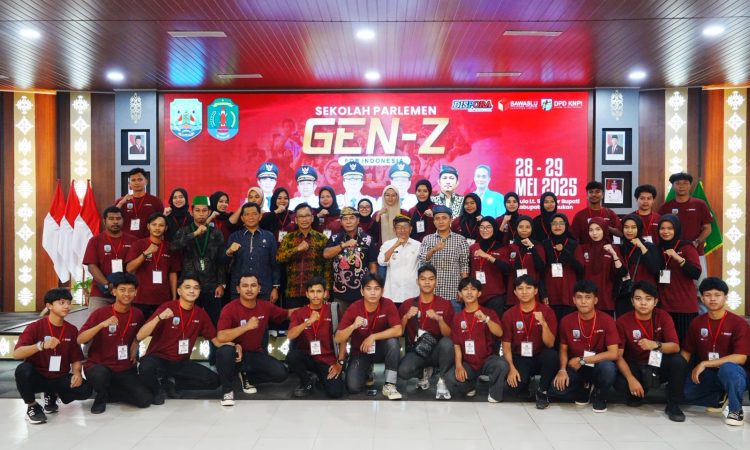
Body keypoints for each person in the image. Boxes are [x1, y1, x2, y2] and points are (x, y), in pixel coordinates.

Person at [137, 277, 223, 405]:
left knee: (214, 381)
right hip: (159, 358)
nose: (192, 291)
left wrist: (235, 346)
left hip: (180, 362)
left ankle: (171, 382)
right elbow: (140, 335)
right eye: (187, 287)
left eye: (196, 288)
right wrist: (159, 317)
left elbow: (215, 340)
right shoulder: (167, 307)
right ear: (179, 291)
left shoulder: (201, 314)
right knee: (145, 367)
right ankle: (157, 389)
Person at [13, 288, 93, 424]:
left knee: (86, 390)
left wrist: (77, 373)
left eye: (68, 303)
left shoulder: (71, 329)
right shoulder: (35, 327)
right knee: (22, 370)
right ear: (49, 305)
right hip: (38, 376)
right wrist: (41, 345)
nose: (67, 306)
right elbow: (16, 354)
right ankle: (32, 406)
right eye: (62, 303)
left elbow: (76, 358)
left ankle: (51, 394)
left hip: (59, 376)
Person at [77, 272, 151, 413]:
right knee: (99, 374)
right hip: (99, 365)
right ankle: (101, 396)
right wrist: (101, 325)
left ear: (136, 292)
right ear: (114, 292)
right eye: (122, 290)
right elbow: (80, 339)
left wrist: (135, 345)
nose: (127, 294)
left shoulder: (137, 314)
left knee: (145, 400)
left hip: (123, 366)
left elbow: (138, 335)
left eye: (131, 290)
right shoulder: (100, 313)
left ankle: (111, 391)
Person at [614, 281, 686, 422]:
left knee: (678, 361)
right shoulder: (623, 321)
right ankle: (638, 392)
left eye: (648, 299)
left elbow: (675, 347)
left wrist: (656, 345)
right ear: (632, 301)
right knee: (620, 383)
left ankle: (673, 405)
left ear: (655, 301)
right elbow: (618, 355)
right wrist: (630, 379)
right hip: (635, 365)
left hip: (657, 364)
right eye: (638, 298)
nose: (643, 303)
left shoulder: (663, 316)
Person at [683, 277, 750, 427]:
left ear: (725, 297)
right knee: (684, 392)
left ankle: (736, 411)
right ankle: (720, 397)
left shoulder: (738, 323)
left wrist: (705, 363)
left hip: (736, 373)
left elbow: (740, 358)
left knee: (728, 368)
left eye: (717, 295)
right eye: (708, 295)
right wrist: (677, 373)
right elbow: (686, 351)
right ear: (701, 298)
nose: (712, 299)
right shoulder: (697, 322)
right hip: (710, 374)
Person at [215, 273, 291, 405]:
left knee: (281, 373)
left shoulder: (265, 306)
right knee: (225, 351)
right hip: (235, 357)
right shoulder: (229, 308)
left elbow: (288, 314)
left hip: (254, 355)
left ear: (259, 288)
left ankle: (246, 377)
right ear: (238, 289)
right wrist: (246, 327)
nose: (249, 289)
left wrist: (312, 309)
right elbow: (221, 336)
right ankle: (227, 391)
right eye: (245, 286)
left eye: (253, 285)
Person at [551, 280, 619, 413]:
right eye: (579, 297)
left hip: (597, 364)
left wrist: (583, 360)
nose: (583, 301)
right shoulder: (566, 321)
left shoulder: (607, 320)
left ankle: (600, 395)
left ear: (595, 300)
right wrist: (562, 370)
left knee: (608, 369)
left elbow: (613, 353)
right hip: (577, 367)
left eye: (588, 297)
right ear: (574, 300)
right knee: (557, 390)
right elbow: (563, 349)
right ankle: (585, 386)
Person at [335, 273, 403, 400]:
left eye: (377, 288)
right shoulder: (354, 308)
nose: (373, 293)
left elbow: (398, 330)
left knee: (393, 343)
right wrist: (353, 326)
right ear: (362, 291)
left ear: (382, 291)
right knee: (353, 387)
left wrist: (373, 337)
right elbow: (338, 338)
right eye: (368, 288)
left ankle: (390, 384)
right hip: (360, 351)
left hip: (381, 349)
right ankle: (367, 371)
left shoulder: (388, 304)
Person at [445, 277, 508, 402]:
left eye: (473, 289)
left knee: (502, 365)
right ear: (460, 294)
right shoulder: (457, 318)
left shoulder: (488, 312)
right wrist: (458, 365)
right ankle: (470, 386)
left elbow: (500, 332)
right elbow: (456, 345)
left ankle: (494, 394)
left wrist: (486, 319)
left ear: (479, 293)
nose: (469, 292)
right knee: (450, 378)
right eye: (465, 289)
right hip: (468, 362)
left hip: (487, 359)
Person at [397, 264, 455, 399]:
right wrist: (405, 317)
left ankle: (442, 379)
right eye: (423, 279)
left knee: (447, 343)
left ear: (436, 281)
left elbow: (450, 335)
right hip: (417, 351)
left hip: (437, 351)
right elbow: (399, 332)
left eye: (431, 279)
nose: (427, 282)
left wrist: (439, 320)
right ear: (417, 281)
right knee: (403, 371)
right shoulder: (408, 304)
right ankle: (423, 373)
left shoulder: (445, 304)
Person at [501, 275, 558, 409]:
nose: (524, 292)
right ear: (515, 292)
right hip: (520, 357)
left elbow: (550, 344)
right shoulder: (509, 314)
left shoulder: (547, 312)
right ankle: (525, 384)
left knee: (552, 356)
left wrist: (543, 323)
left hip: (540, 356)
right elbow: (506, 345)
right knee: (514, 388)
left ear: (536, 291)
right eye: (520, 288)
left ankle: (542, 390)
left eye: (528, 288)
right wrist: (511, 368)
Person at [171, 195, 226, 332]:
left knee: (213, 323)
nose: (201, 214)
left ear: (209, 212)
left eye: (204, 211)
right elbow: (174, 247)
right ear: (192, 212)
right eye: (197, 210)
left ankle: (213, 346)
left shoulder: (216, 233)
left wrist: (221, 283)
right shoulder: (184, 231)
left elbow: (221, 260)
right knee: (188, 322)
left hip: (211, 285)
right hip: (189, 284)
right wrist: (194, 234)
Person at [286, 276, 346, 398]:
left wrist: (340, 362)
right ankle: (307, 382)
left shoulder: (333, 310)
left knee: (336, 392)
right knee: (292, 356)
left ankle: (319, 377)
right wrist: (308, 322)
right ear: (307, 294)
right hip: (308, 357)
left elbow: (343, 338)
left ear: (325, 293)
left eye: (319, 291)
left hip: (327, 359)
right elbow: (290, 335)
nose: (315, 295)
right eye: (312, 291)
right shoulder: (299, 313)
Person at [125, 212, 181, 319]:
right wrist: (145, 253)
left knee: (160, 328)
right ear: (148, 226)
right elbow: (129, 268)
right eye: (154, 224)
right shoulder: (139, 244)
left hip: (163, 299)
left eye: (161, 225)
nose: (157, 228)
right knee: (140, 328)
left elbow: (172, 274)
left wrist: (174, 297)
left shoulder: (170, 247)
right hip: (140, 298)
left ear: (166, 228)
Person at [83, 206, 137, 313]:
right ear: (104, 221)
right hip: (100, 294)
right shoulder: (95, 240)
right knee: (96, 321)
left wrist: (122, 288)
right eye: (111, 219)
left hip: (126, 293)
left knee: (126, 321)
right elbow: (91, 266)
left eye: (118, 219)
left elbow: (135, 267)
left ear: (123, 220)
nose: (115, 222)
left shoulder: (133, 241)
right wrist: (108, 285)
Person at [324, 206, 378, 313]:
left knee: (362, 321)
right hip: (340, 291)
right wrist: (343, 245)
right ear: (341, 222)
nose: (348, 221)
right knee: (341, 322)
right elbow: (326, 254)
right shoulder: (335, 238)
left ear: (358, 220)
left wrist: (372, 287)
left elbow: (373, 265)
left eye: (352, 218)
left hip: (362, 292)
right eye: (345, 219)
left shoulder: (367, 240)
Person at [276, 203, 331, 309]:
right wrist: (297, 249)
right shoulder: (288, 238)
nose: (304, 219)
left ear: (312, 218)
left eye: (307, 216)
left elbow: (327, 266)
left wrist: (327, 289)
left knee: (316, 319)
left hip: (315, 293)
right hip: (293, 292)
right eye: (301, 216)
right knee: (294, 320)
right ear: (296, 220)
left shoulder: (322, 239)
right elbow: (279, 258)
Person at [658, 172, 712, 278]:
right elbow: (660, 229)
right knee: (671, 283)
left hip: (696, 251)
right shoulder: (665, 207)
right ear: (673, 186)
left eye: (685, 183)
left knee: (700, 284)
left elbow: (707, 228)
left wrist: (697, 242)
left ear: (690, 185)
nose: (681, 186)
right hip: (671, 253)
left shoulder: (700, 204)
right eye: (678, 183)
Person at [656, 215, 701, 342]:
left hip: (684, 306)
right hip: (664, 306)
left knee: (684, 343)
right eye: (662, 228)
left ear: (676, 229)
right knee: (667, 343)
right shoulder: (658, 248)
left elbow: (696, 273)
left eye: (670, 228)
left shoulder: (687, 247)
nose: (665, 231)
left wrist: (678, 258)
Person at [418, 205, 470, 312]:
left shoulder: (460, 240)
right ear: (433, 221)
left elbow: (464, 265)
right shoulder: (427, 239)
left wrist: (463, 289)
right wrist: (433, 249)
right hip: (432, 292)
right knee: (432, 321)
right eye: (437, 218)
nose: (441, 221)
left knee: (454, 321)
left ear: (451, 219)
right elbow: (422, 259)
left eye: (444, 218)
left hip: (453, 292)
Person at [225, 202, 280, 302]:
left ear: (260, 216)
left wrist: (275, 287)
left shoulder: (269, 236)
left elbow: (275, 264)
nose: (251, 217)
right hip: (239, 289)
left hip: (264, 289)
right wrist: (229, 252)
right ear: (242, 218)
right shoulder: (234, 237)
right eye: (247, 214)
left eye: (254, 214)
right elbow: (224, 263)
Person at [542, 213, 584, 322]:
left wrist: (564, 251)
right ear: (550, 226)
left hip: (568, 293)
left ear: (566, 226)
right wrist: (543, 294)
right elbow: (541, 271)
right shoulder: (545, 244)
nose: (557, 226)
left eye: (561, 223)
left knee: (567, 325)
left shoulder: (574, 244)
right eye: (554, 223)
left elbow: (580, 268)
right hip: (550, 293)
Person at [496, 215, 546, 308]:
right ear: (517, 228)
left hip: (531, 290)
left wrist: (531, 247)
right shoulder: (511, 247)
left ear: (532, 228)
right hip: (514, 291)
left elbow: (540, 267)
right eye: (521, 227)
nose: (524, 230)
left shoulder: (538, 246)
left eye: (527, 227)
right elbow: (506, 269)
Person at [580, 217, 627, 316]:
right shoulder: (583, 248)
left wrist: (614, 254)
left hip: (606, 299)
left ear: (604, 230)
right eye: (591, 230)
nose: (594, 233)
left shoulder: (613, 248)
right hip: (586, 299)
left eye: (598, 229)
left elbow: (622, 272)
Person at [616, 215, 661, 315]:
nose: (629, 231)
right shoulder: (620, 248)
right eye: (626, 227)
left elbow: (655, 268)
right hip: (625, 294)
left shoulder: (649, 246)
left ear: (639, 228)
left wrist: (641, 246)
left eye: (633, 227)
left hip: (645, 295)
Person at [377, 215, 421, 303]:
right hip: (392, 293)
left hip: (412, 292)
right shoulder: (387, 244)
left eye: (405, 227)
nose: (402, 230)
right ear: (394, 230)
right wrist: (395, 246)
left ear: (410, 229)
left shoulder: (418, 245)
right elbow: (381, 262)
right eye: (399, 227)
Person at [469, 217, 507, 317]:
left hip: (495, 296)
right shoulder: (473, 248)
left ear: (494, 228)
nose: (485, 230)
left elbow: (507, 269)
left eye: (488, 227)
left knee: (494, 324)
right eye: (482, 227)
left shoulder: (501, 248)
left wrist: (488, 257)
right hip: (475, 295)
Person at [115, 168, 164, 238]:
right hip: (125, 240)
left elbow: (161, 222)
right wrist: (121, 203)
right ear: (129, 184)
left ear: (146, 181)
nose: (136, 182)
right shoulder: (121, 201)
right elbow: (113, 218)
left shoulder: (155, 201)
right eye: (133, 180)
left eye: (140, 179)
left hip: (147, 240)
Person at [570, 181, 622, 245]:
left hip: (606, 250)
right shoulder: (580, 215)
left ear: (602, 195)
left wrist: (605, 226)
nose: (594, 194)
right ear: (587, 195)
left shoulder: (610, 213)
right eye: (591, 192)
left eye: (597, 192)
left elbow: (620, 233)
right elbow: (573, 237)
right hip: (586, 250)